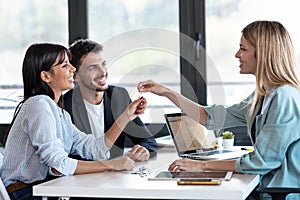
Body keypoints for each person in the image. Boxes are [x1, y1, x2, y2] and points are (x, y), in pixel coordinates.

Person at [137, 21, 300, 200]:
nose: (237, 54)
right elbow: (210, 117)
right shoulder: (264, 94)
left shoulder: (284, 98)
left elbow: (261, 162)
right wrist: (167, 92)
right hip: (264, 188)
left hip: (278, 195)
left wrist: (202, 166)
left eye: (243, 49)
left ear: (262, 53)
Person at [0, 43, 147, 200]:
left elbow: (93, 148)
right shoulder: (39, 104)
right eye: (64, 65)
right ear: (46, 76)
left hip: (42, 190)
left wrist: (126, 117)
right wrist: (111, 165)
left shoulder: (60, 113)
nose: (73, 69)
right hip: (24, 193)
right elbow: (58, 165)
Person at [63, 39, 157, 161]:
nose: (103, 72)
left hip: (115, 175)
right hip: (82, 176)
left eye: (103, 64)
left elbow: (147, 141)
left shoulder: (118, 96)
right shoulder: (65, 105)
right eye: (92, 68)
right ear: (75, 76)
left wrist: (144, 151)